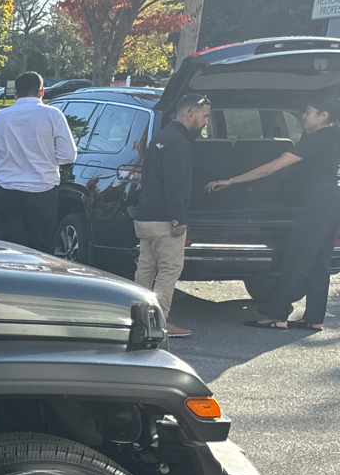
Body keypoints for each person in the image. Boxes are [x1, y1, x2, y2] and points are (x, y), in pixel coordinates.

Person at [208, 91, 340, 332]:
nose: (304, 116)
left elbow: (271, 168)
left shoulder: (316, 139)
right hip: (332, 202)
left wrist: (231, 180)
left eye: (309, 112)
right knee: (319, 261)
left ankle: (277, 315)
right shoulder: (335, 137)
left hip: (316, 204)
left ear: (323, 116)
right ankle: (314, 317)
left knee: (297, 258)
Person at [132, 94, 212, 338]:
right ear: (190, 114)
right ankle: (160, 321)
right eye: (205, 116)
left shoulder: (161, 137)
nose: (206, 122)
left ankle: (136, 316)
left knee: (145, 269)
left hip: (145, 216)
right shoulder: (179, 142)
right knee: (169, 270)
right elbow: (176, 184)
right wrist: (179, 218)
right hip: (166, 219)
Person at [0, 71, 77, 253]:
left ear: (15, 93)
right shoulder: (53, 115)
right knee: (41, 250)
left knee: (9, 250)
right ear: (42, 91)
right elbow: (68, 156)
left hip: (7, 191)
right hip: (43, 192)